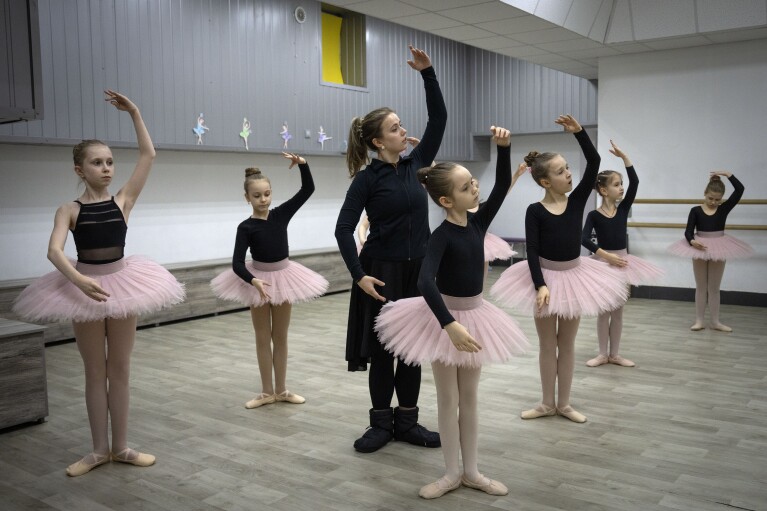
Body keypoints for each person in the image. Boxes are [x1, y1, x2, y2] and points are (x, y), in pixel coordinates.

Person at [12, 90, 185, 476]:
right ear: (79, 170)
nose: (106, 168)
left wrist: (135, 113)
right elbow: (54, 251)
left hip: (122, 284)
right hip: (83, 289)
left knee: (119, 369)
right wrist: (78, 281)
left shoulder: (123, 200)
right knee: (94, 371)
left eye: (109, 162)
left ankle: (121, 447)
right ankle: (96, 450)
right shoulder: (69, 209)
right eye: (97, 163)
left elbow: (148, 156)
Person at [375, 126, 528, 499]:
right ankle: (449, 473)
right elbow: (426, 282)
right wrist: (449, 326)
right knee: (448, 399)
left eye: (473, 182)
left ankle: (472, 471)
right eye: (465, 187)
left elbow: (502, 184)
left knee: (470, 398)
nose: (474, 188)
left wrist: (503, 148)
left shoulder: (478, 222)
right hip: (442, 321)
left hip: (475, 317)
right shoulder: (440, 236)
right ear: (446, 201)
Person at [334, 45, 447, 453]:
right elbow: (344, 229)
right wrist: (359, 275)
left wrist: (428, 74)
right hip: (380, 272)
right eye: (396, 128)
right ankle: (381, 425)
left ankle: (409, 423)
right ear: (380, 141)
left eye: (402, 126)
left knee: (412, 353)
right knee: (384, 355)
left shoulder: (419, 165)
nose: (404, 131)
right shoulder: (367, 180)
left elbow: (439, 119)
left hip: (417, 271)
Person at [490, 115, 629, 424]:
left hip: (575, 278)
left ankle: (564, 403)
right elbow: (534, 251)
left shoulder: (578, 199)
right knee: (547, 345)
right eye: (561, 171)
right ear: (544, 181)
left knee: (566, 345)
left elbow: (593, 162)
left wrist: (579, 132)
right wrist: (540, 285)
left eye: (568, 168)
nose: (569, 174)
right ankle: (545, 403)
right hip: (544, 280)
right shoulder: (535, 211)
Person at [211, 153, 328, 408]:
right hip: (258, 282)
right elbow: (237, 263)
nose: (263, 200)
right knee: (262, 337)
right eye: (257, 196)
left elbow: (308, 189)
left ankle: (282, 389)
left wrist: (303, 166)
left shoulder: (281, 215)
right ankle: (266, 392)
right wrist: (253, 281)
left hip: (284, 278)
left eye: (267, 194)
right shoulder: (246, 227)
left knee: (281, 336)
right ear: (247, 198)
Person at [581, 140, 664, 368]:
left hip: (623, 263)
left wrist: (624, 158)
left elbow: (635, 182)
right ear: (604, 190)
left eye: (621, 184)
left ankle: (615, 354)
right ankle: (601, 353)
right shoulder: (594, 215)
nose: (622, 188)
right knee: (603, 311)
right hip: (603, 263)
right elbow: (584, 238)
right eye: (617, 184)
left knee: (618, 310)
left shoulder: (623, 209)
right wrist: (605, 256)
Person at [668, 172, 752, 331]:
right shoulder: (695, 210)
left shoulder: (724, 209)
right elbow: (688, 231)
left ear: (722, 199)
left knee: (714, 287)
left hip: (719, 246)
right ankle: (699, 320)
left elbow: (740, 189)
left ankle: (715, 321)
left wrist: (729, 175)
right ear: (705, 194)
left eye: (717, 199)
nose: (713, 202)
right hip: (699, 246)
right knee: (701, 286)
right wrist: (692, 241)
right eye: (710, 198)